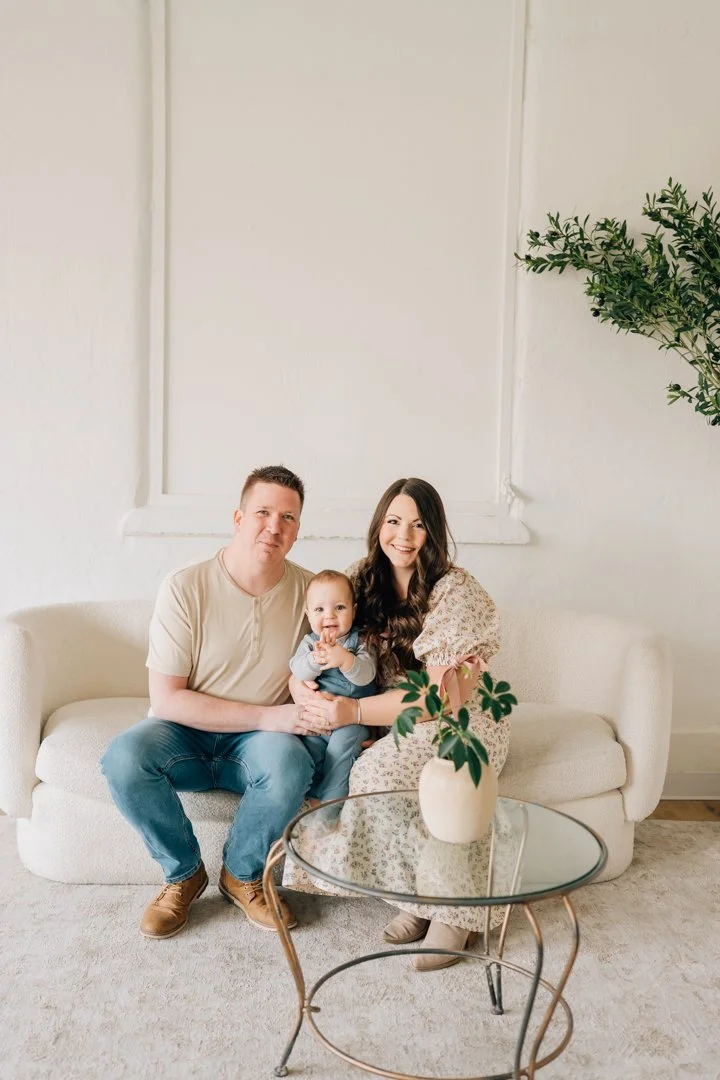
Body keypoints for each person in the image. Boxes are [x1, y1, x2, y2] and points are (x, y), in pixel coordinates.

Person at [285, 477, 509, 971]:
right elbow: (320, 632)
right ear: (378, 525)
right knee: (358, 769)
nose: (403, 536)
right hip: (393, 721)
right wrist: (303, 689)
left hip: (460, 719)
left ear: (434, 533)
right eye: (393, 521)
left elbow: (437, 696)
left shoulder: (456, 591)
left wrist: (354, 712)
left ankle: (458, 912)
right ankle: (413, 897)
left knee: (393, 775)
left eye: (418, 525)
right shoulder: (362, 580)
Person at [101, 465, 321, 939]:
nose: (274, 526)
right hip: (186, 734)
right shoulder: (185, 586)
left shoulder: (311, 593)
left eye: (288, 518)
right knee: (123, 757)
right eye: (263, 512)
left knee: (290, 766)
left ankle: (242, 876)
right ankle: (183, 875)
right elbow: (167, 700)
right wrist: (272, 715)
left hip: (260, 744)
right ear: (239, 518)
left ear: (298, 531)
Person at [289, 570, 374, 810]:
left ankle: (330, 805)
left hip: (352, 723)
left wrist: (345, 659)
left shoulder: (361, 642)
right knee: (304, 749)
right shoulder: (309, 643)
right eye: (319, 610)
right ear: (308, 614)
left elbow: (366, 674)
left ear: (354, 610)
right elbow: (298, 670)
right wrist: (315, 659)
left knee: (340, 754)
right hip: (317, 720)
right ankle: (308, 797)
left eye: (339, 607)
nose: (330, 616)